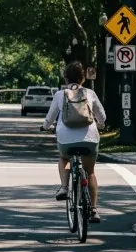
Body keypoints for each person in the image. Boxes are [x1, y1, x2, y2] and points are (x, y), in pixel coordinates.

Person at [41, 61, 106, 223]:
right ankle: (93, 210)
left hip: (67, 141)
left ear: (65, 79)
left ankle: (64, 187)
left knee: (65, 158)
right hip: (89, 140)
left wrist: (44, 127)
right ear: (83, 78)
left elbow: (49, 118)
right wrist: (101, 125)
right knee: (89, 171)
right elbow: (102, 116)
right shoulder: (89, 93)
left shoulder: (59, 95)